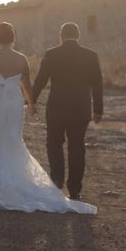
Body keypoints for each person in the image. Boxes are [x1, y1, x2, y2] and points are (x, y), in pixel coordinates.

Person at [0, 22, 96, 214]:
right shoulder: (21, 59)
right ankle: (13, 180)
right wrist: (31, 104)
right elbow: (26, 85)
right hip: (13, 103)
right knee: (12, 138)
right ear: (14, 38)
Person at [32, 22, 103, 200]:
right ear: (78, 35)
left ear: (61, 36)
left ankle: (57, 181)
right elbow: (97, 85)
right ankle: (74, 190)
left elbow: (40, 80)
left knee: (54, 143)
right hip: (81, 108)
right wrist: (98, 109)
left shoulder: (52, 54)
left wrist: (30, 101)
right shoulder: (91, 56)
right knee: (77, 146)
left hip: (57, 107)